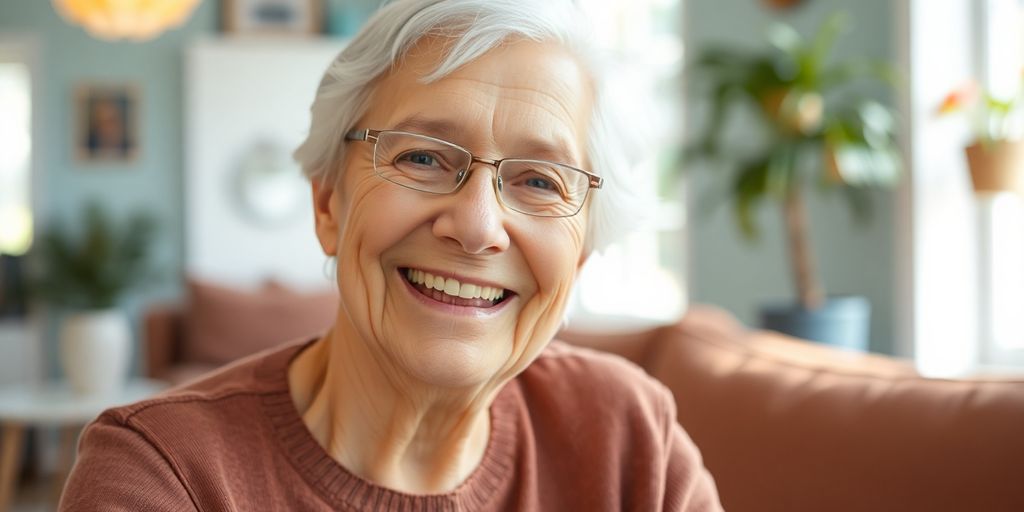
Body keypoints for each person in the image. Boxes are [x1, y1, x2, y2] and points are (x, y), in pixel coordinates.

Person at [60, 0, 722, 510]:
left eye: (540, 181)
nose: (477, 227)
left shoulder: (633, 444)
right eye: (423, 158)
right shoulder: (163, 474)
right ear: (328, 204)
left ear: (578, 257)